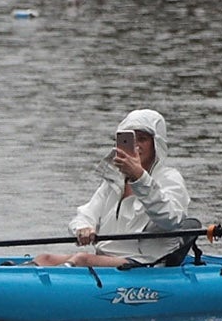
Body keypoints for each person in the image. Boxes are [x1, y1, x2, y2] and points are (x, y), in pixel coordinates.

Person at [45, 107, 192, 265]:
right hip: (108, 258)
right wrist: (83, 228)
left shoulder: (170, 178)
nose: (135, 146)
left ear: (156, 144)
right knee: (44, 258)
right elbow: (86, 214)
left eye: (142, 139)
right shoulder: (114, 181)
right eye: (130, 140)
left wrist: (139, 178)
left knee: (82, 259)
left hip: (144, 262)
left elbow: (170, 219)